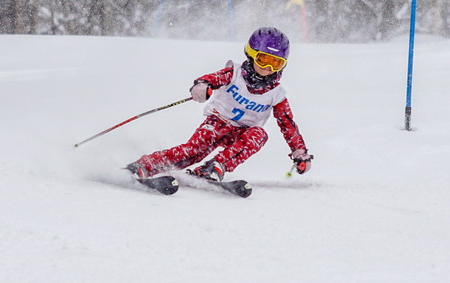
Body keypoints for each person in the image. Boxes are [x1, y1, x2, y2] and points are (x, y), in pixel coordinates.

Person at [128, 26, 314, 182]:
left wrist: (299, 152)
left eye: (276, 63)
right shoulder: (234, 74)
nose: (268, 68)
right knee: (193, 152)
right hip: (217, 123)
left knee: (259, 135)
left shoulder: (277, 94)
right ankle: (144, 166)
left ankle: (215, 167)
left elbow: (287, 124)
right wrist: (203, 85)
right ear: (251, 54)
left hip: (242, 133)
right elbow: (212, 78)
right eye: (263, 59)